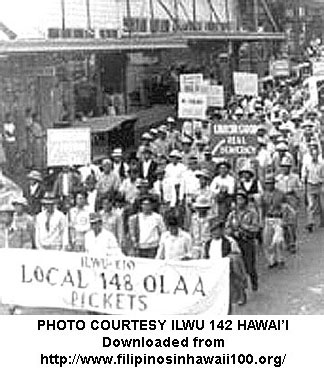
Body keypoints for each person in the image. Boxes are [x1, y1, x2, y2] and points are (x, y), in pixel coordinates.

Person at [204, 216, 248, 307]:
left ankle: (240, 295)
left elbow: (237, 255)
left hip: (228, 272)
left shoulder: (230, 241)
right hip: (214, 272)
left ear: (222, 230)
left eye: (217, 229)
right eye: (213, 230)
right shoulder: (208, 244)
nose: (215, 232)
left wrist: (229, 258)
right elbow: (205, 257)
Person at [226, 192, 260, 292]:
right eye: (237, 199)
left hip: (247, 241)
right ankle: (242, 289)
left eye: (241, 199)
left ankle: (254, 281)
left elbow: (256, 228)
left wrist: (244, 228)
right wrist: (232, 232)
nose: (239, 202)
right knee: (237, 267)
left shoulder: (251, 213)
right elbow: (227, 227)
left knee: (250, 265)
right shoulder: (232, 214)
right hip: (235, 242)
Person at [276, 156, 301, 253]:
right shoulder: (278, 178)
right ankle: (287, 242)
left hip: (292, 199)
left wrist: (295, 192)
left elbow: (300, 189)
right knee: (284, 224)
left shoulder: (295, 177)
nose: (285, 168)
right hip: (282, 201)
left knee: (292, 224)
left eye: (287, 166)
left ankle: (293, 243)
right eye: (283, 166)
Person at [260, 175, 286, 269]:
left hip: (278, 218)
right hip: (268, 218)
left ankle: (280, 259)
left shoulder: (281, 194)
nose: (269, 185)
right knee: (267, 241)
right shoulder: (263, 195)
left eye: (271, 183)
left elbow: (285, 207)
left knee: (278, 240)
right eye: (267, 183)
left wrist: (284, 219)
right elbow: (261, 208)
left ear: (274, 184)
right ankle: (271, 260)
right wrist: (261, 220)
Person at [301, 145, 324, 232]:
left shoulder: (321, 164)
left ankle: (322, 221)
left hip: (319, 185)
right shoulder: (307, 164)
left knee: (322, 205)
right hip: (310, 185)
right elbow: (304, 176)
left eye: (316, 154)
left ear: (317, 155)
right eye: (313, 154)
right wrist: (304, 187)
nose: (314, 156)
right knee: (311, 205)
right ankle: (310, 222)